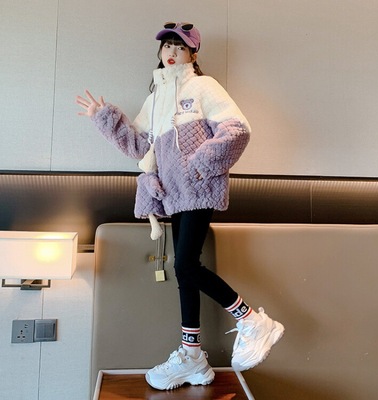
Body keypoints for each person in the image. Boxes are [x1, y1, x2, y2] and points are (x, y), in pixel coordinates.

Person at [76, 22, 284, 391]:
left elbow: (237, 130)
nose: (172, 51)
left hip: (198, 189)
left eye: (180, 46)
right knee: (185, 272)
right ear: (159, 52)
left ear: (192, 54)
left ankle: (253, 320)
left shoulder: (203, 87)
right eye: (167, 45)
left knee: (186, 265)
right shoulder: (156, 98)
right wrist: (103, 117)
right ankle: (192, 356)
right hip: (172, 195)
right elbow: (141, 148)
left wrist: (199, 166)